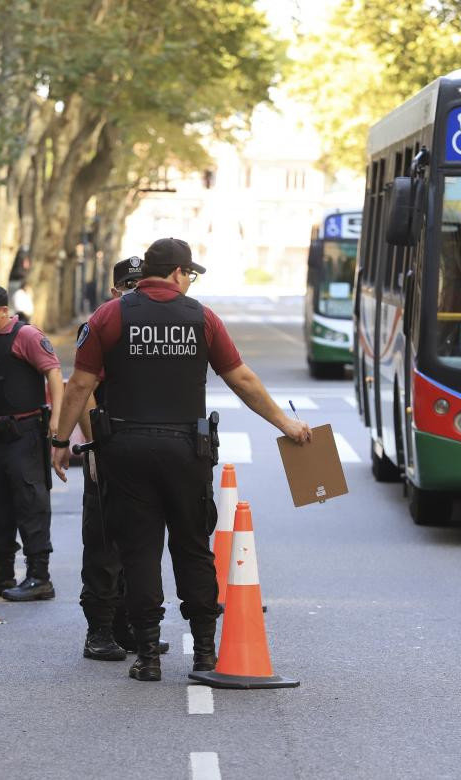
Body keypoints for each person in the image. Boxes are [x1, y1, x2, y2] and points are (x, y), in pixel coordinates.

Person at [50, 238, 310, 682]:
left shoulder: (110, 316)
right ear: (176, 273)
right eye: (189, 273)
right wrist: (285, 424)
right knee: (192, 547)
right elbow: (241, 379)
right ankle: (205, 654)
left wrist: (60, 440)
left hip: (126, 451)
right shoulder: (202, 318)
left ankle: (148, 656)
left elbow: (79, 385)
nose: (189, 281)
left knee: (140, 551)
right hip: (186, 451)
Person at [77, 256, 170, 661]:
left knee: (141, 541)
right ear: (115, 290)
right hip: (108, 445)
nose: (134, 291)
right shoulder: (101, 323)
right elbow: (82, 391)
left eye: (139, 283)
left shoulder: (158, 324)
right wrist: (94, 446)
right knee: (103, 540)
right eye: (126, 285)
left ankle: (130, 627)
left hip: (146, 448)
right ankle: (99, 630)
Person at [0, 283, 64, 602]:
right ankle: (2, 572)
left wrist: (58, 421)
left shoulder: (27, 336)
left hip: (25, 432)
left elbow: (54, 374)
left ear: (4, 311)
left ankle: (39, 577)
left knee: (31, 504)